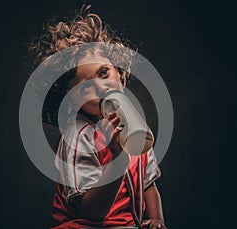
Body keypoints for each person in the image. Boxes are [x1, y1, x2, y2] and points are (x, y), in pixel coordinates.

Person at [28, 5, 167, 229]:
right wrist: (117, 160)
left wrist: (157, 220)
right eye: (86, 88)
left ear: (118, 72)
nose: (101, 87)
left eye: (104, 73)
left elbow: (149, 185)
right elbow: (92, 212)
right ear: (72, 101)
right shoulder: (78, 138)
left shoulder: (136, 128)